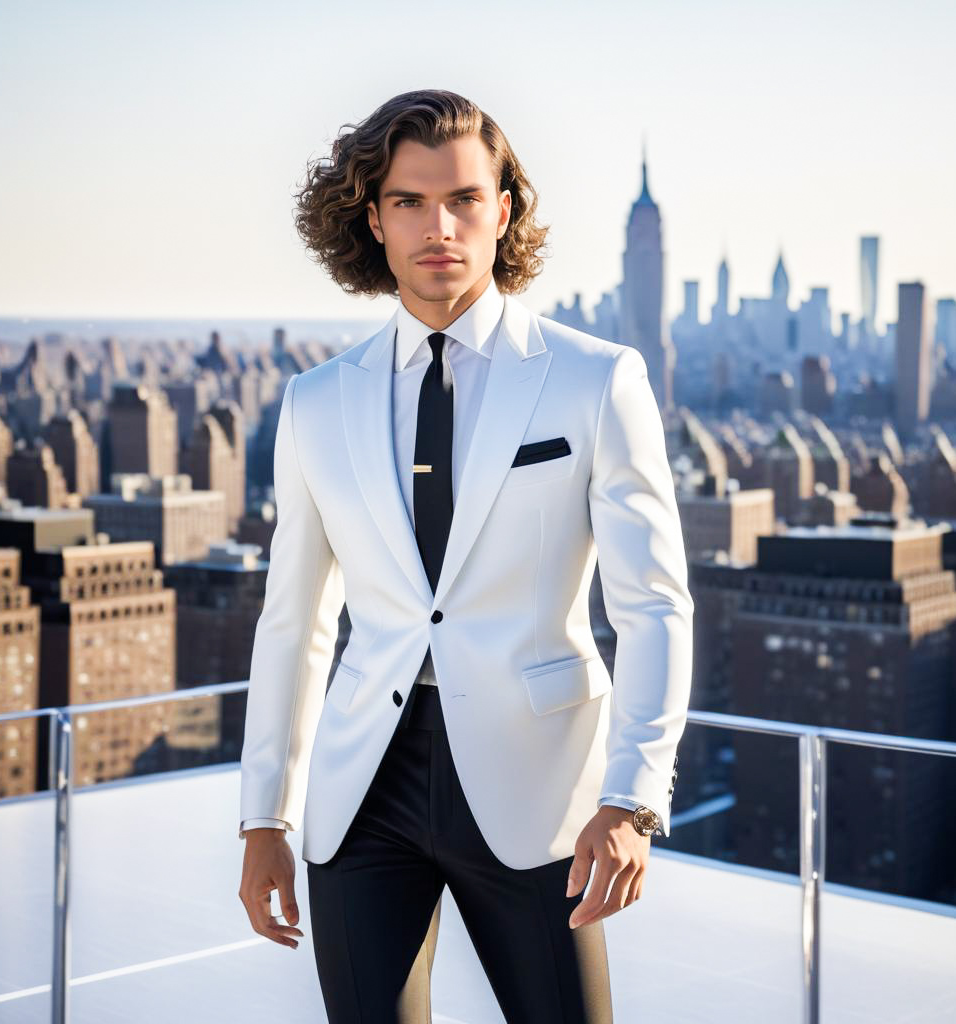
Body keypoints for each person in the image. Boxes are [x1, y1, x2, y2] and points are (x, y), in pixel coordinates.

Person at [237, 88, 693, 1023]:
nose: (437, 226)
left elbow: (653, 605)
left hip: (541, 793)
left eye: (464, 199)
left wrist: (635, 798)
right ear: (373, 217)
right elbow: (296, 623)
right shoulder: (318, 401)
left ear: (504, 210)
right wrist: (263, 817)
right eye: (408, 200)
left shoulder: (596, 379)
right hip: (364, 792)